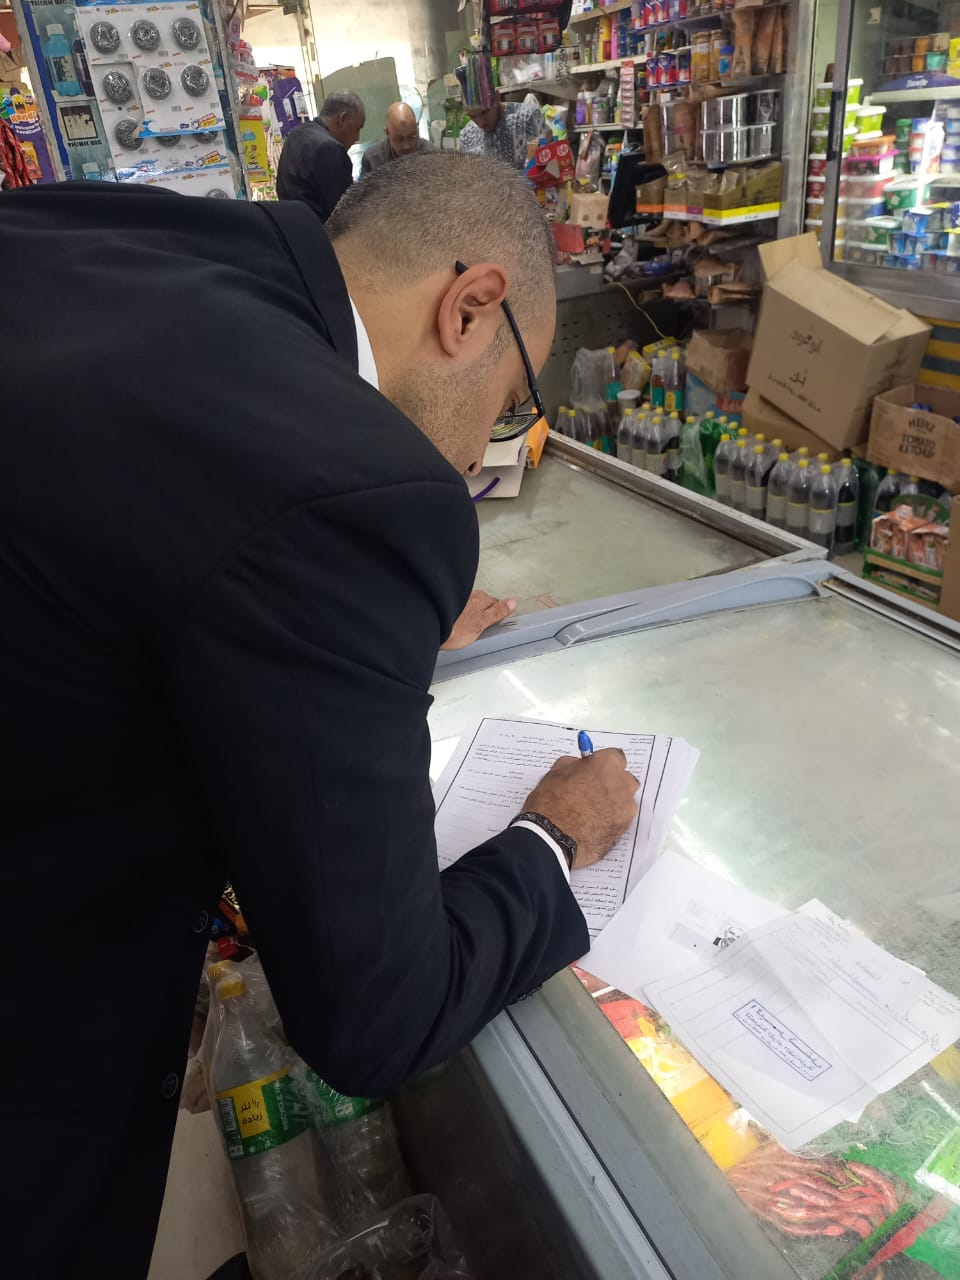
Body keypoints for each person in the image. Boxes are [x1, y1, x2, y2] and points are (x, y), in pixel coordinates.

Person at [1, 153, 638, 1279]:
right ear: (470, 307)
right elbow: (375, 1017)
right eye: (507, 408)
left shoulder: (120, 231)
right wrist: (554, 838)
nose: (480, 456)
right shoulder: (349, 489)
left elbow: (154, 541)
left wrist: (340, 629)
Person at [276, 89, 366, 218]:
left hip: (290, 224)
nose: (357, 137)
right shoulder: (330, 149)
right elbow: (344, 215)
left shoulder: (296, 134)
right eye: (357, 129)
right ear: (342, 119)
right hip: (319, 227)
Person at [458, 96, 545, 170]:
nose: (481, 124)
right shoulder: (466, 135)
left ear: (497, 96)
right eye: (472, 116)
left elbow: (547, 165)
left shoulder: (529, 117)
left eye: (484, 112)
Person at [360, 100, 433, 174]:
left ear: (417, 128)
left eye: (411, 137)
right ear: (387, 132)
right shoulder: (372, 160)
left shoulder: (432, 154)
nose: (406, 146)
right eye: (400, 139)